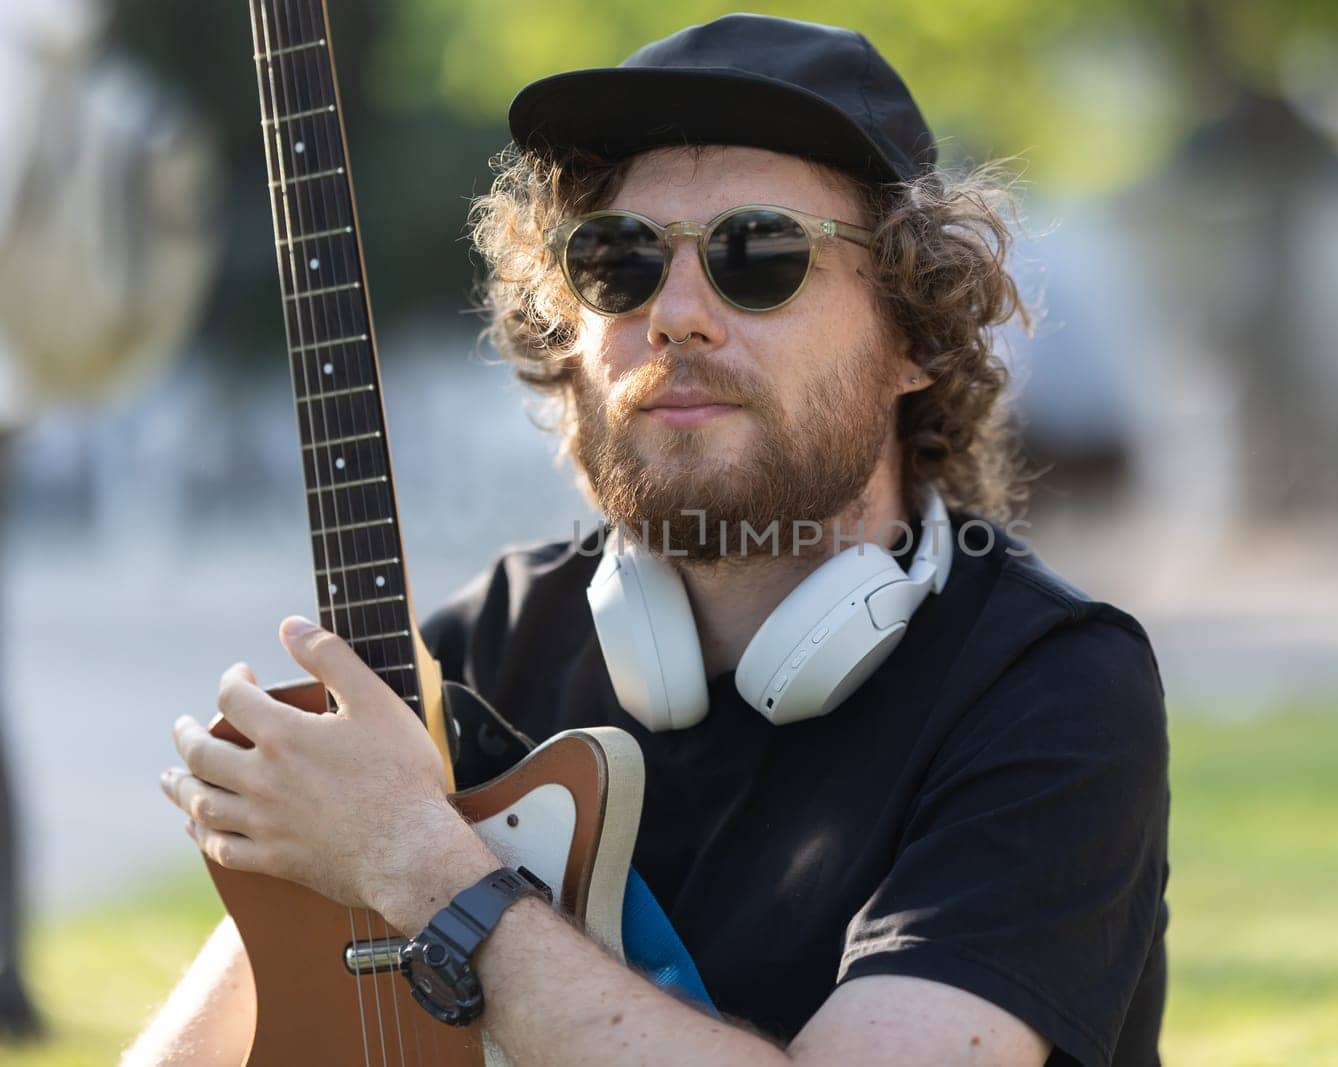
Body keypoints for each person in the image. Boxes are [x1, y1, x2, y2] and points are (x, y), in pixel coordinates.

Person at [134, 15, 1169, 1066]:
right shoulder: (483, 653)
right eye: (617, 260)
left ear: (913, 334)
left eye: (758, 254)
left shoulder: (1049, 688)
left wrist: (418, 861)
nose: (677, 315)